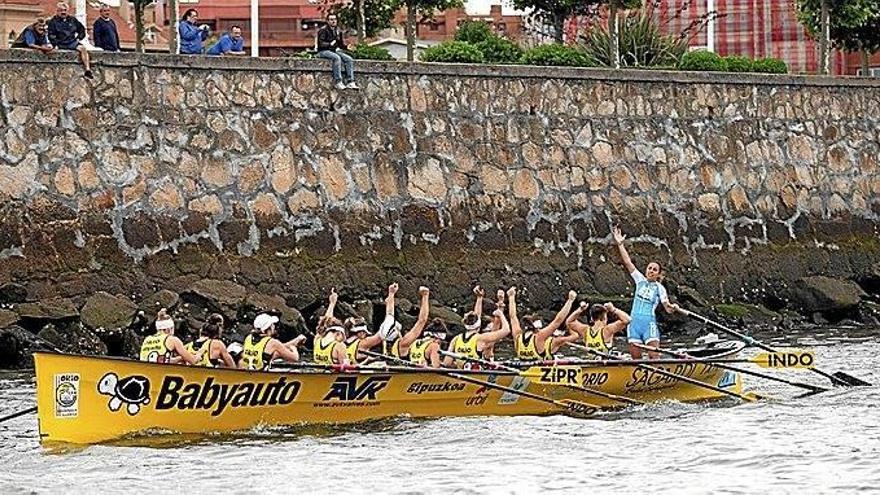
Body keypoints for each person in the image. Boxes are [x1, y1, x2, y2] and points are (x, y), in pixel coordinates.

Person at [612, 226, 680, 359]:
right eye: (650, 268)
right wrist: (620, 244)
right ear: (646, 270)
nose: (651, 271)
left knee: (654, 356)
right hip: (634, 324)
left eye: (655, 270)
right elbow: (627, 262)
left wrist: (673, 307)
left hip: (649, 325)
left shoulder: (660, 288)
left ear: (658, 274)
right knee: (636, 359)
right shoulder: (639, 280)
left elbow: (667, 308)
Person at [443, 286, 511, 369]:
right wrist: (501, 314)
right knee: (489, 350)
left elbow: (447, 363)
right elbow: (506, 330)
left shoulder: (456, 339)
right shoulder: (481, 338)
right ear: (479, 325)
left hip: (462, 372)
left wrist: (479, 298)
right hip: (478, 373)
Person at [509, 287, 581, 361]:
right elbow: (557, 321)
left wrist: (511, 297)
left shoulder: (517, 337)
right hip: (542, 367)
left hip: (524, 367)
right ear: (536, 328)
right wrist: (570, 300)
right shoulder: (540, 336)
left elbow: (513, 317)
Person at [240, 313, 306, 370]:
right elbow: (295, 358)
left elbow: (280, 347)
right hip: (262, 375)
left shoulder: (248, 338)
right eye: (272, 325)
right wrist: (294, 347)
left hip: (247, 372)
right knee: (276, 353)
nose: (274, 326)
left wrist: (295, 341)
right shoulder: (272, 342)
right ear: (267, 328)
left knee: (276, 353)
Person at [381, 285, 430, 359]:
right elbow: (422, 321)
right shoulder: (403, 343)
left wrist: (391, 293)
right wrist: (425, 295)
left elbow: (389, 314)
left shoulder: (385, 339)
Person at [47, 2, 92, 79]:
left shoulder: (73, 20)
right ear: (57, 11)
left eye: (65, 10)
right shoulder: (53, 22)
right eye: (61, 10)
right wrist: (55, 44)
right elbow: (51, 35)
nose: (63, 12)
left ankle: (87, 69)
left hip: (72, 42)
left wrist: (79, 38)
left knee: (83, 49)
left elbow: (81, 30)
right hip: (60, 43)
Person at [567, 301, 631, 355]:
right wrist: (613, 309)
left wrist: (580, 310)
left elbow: (569, 322)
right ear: (604, 317)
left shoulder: (585, 330)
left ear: (591, 318)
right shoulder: (607, 330)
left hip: (591, 364)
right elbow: (627, 320)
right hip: (606, 364)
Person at [316, 13, 359, 90]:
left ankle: (350, 82)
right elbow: (321, 44)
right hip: (323, 51)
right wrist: (330, 44)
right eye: (331, 19)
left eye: (335, 19)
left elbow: (340, 44)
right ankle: (338, 81)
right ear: (327, 21)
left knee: (349, 59)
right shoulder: (323, 30)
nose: (333, 21)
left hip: (333, 51)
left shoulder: (338, 31)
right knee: (337, 58)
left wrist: (347, 47)